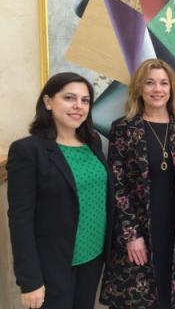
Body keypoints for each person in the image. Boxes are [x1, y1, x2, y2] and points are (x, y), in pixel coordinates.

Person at [100, 58, 175, 309]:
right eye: (150, 83)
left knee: (168, 295)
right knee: (137, 298)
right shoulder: (124, 129)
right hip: (139, 229)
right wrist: (131, 235)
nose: (158, 89)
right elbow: (118, 187)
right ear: (139, 89)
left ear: (171, 89)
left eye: (163, 83)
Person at [6, 72, 113, 309]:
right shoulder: (27, 150)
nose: (78, 106)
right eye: (69, 98)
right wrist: (30, 280)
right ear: (47, 102)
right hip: (52, 265)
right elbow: (20, 219)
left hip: (93, 258)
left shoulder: (93, 142)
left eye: (85, 100)